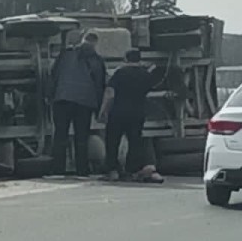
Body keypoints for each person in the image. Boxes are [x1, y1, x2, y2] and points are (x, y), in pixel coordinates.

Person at [98, 49, 164, 183]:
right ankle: (131, 170)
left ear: (126, 59)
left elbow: (110, 93)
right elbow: (150, 91)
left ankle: (112, 171)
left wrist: (103, 110)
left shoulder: (120, 73)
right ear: (139, 60)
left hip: (118, 112)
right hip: (137, 113)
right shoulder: (145, 75)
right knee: (135, 142)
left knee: (112, 141)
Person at [47, 31, 107, 179]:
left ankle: (57, 171)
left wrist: (50, 96)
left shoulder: (65, 54)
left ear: (82, 40)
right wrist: (99, 108)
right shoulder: (97, 60)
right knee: (82, 136)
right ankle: (82, 171)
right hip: (85, 102)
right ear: (95, 43)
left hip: (62, 99)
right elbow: (99, 85)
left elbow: (53, 74)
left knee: (60, 135)